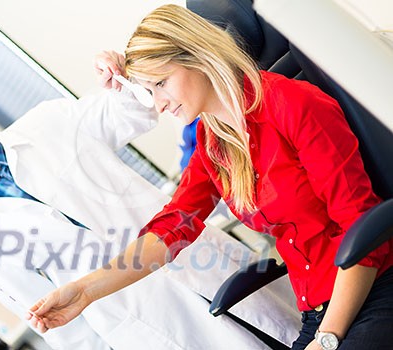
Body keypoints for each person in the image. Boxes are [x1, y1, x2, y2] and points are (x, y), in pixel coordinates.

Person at [27, 5, 393, 350]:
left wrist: (327, 339)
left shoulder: (292, 104)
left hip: (372, 285)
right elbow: (170, 230)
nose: (158, 104)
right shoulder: (212, 141)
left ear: (198, 56)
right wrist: (86, 291)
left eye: (161, 84)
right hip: (318, 307)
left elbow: (362, 231)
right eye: (149, 91)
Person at [0, 57, 301, 349]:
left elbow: (133, 111)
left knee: (316, 332)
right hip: (148, 326)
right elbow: (57, 326)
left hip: (197, 259)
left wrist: (121, 73)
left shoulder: (47, 123)